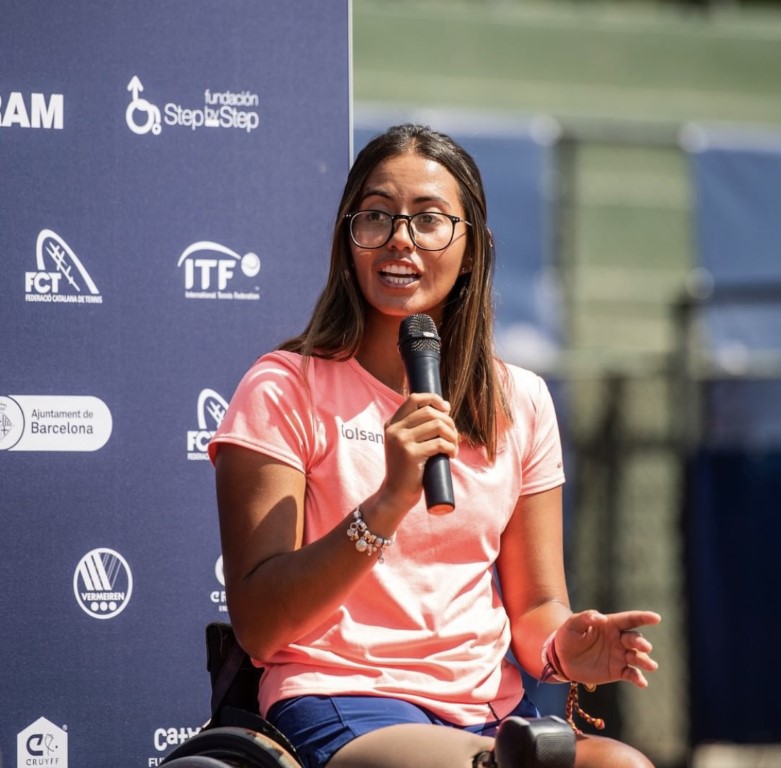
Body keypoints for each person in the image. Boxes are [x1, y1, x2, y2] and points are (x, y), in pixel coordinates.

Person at [209, 123, 661, 768]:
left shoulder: (522, 400)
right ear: (348, 238)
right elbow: (259, 624)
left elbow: (534, 607)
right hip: (344, 696)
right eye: (377, 217)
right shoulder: (285, 387)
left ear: (470, 248)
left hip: (492, 711)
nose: (400, 239)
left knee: (624, 765)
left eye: (429, 220)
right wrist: (389, 501)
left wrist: (565, 647)